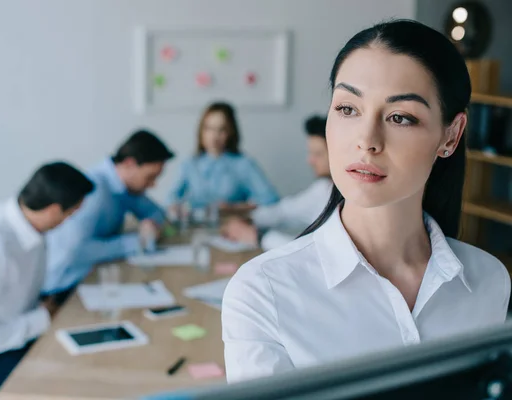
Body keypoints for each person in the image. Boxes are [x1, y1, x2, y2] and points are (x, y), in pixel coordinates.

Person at [222, 20, 511, 384]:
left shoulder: (488, 280)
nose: (367, 140)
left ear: (450, 136)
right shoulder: (263, 291)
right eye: (348, 109)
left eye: (400, 117)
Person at [0, 162, 94, 396]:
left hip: (19, 333)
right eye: (72, 213)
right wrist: (42, 318)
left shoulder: (28, 224)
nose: (70, 221)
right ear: (55, 210)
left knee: (88, 351)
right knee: (78, 381)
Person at [42, 129, 174, 297]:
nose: (153, 185)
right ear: (129, 164)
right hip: (65, 289)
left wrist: (151, 224)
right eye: (150, 177)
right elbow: (76, 251)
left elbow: (156, 213)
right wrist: (137, 242)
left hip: (96, 275)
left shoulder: (127, 188)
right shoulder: (94, 191)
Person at [221, 115, 332, 250]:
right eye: (311, 153)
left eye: (318, 154)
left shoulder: (346, 201)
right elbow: (284, 211)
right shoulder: (323, 188)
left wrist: (258, 236)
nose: (310, 161)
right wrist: (246, 216)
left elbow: (311, 252)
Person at [167, 101, 279, 211]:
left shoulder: (243, 163)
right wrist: (181, 208)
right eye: (209, 128)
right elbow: (170, 200)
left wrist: (235, 208)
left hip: (234, 224)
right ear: (201, 130)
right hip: (197, 227)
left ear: (231, 132)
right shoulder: (190, 164)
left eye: (221, 130)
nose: (214, 136)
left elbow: (270, 199)